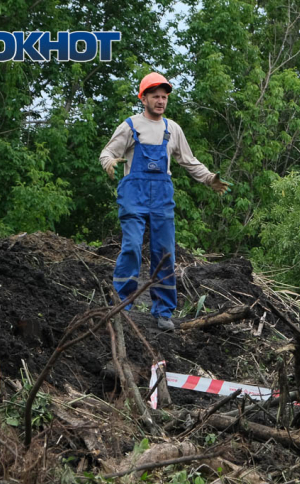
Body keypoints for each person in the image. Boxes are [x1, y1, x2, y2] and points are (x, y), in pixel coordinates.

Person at [100, 72, 228, 330]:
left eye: (164, 97)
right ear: (143, 98)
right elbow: (108, 152)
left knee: (164, 253)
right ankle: (122, 305)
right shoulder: (130, 126)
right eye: (155, 96)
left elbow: (189, 161)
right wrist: (110, 163)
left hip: (161, 199)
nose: (160, 101)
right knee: (133, 246)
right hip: (133, 195)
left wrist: (209, 179)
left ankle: (163, 311)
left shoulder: (173, 129)